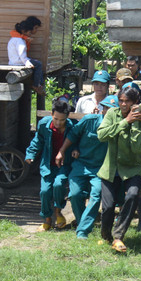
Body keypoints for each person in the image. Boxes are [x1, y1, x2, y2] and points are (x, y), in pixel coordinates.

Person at [97, 86, 141, 252]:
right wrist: (124, 122)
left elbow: (136, 148)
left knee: (133, 195)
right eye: (121, 100)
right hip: (110, 168)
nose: (123, 104)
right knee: (108, 207)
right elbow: (102, 135)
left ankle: (118, 236)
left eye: (127, 101)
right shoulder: (112, 114)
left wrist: (134, 123)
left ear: (135, 103)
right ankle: (106, 235)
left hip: (131, 168)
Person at [57, 94, 114, 239]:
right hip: (81, 165)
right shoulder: (90, 120)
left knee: (96, 194)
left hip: (100, 168)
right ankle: (83, 221)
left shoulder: (117, 128)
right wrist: (62, 151)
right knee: (75, 195)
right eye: (106, 108)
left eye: (113, 109)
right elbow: (73, 135)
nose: (109, 112)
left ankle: (82, 230)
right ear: (102, 110)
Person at [25, 97, 75, 230]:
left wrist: (75, 150)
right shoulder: (44, 125)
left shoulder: (72, 127)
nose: (58, 123)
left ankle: (58, 212)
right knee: (45, 191)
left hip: (64, 165)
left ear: (67, 117)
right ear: (52, 114)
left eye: (62, 120)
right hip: (48, 164)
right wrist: (31, 154)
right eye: (56, 119)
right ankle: (47, 219)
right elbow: (37, 141)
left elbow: (77, 142)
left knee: (59, 185)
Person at [7, 16, 45, 95]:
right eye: (30, 33)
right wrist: (27, 62)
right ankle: (37, 85)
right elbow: (22, 54)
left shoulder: (14, 38)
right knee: (38, 64)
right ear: (24, 31)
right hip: (19, 61)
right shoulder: (20, 41)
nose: (30, 35)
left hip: (13, 61)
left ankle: (38, 84)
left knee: (36, 64)